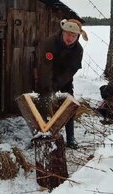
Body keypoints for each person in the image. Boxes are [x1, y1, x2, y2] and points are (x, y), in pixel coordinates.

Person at [35, 18, 88, 149]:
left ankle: (71, 138)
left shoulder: (78, 50)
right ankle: (41, 134)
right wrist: (49, 87)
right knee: (43, 104)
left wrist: (58, 84)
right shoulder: (50, 43)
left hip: (65, 80)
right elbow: (45, 67)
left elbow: (71, 70)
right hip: (46, 77)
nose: (70, 38)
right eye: (68, 34)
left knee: (69, 106)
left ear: (77, 36)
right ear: (63, 32)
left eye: (73, 36)